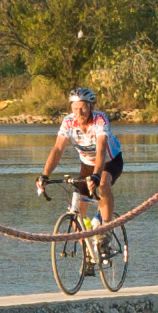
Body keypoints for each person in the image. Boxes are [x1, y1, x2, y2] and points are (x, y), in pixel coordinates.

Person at [36, 87, 123, 225]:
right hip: (87, 163)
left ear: (90, 107)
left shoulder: (100, 119)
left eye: (82, 108)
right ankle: (82, 240)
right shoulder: (68, 122)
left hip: (109, 161)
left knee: (102, 183)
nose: (78, 113)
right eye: (75, 108)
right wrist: (45, 174)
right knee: (78, 204)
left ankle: (106, 228)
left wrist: (96, 176)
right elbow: (58, 149)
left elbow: (101, 150)